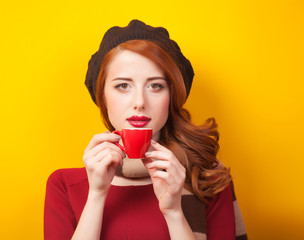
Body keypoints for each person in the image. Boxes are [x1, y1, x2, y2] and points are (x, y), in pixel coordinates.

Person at [44, 20, 247, 240]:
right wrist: (96, 194)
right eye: (123, 85)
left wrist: (174, 212)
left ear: (171, 96)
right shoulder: (64, 185)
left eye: (155, 85)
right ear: (102, 96)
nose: (139, 102)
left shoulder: (208, 179)